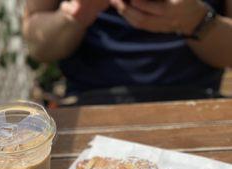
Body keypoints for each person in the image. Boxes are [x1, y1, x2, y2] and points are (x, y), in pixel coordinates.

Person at [23, 0, 232, 104]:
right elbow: (38, 46)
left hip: (196, 99)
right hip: (91, 100)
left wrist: (198, 22)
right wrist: (76, 15)